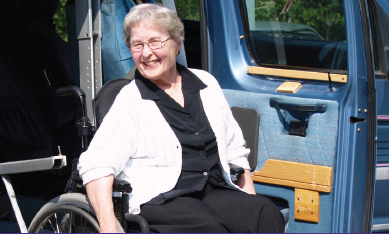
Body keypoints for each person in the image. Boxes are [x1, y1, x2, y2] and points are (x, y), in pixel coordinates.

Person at [78, 3, 285, 233]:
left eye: (155, 42)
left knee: (263, 212)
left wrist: (250, 202)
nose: (146, 53)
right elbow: (95, 166)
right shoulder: (131, 100)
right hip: (161, 198)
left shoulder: (206, 84)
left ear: (177, 44)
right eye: (137, 45)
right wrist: (109, 228)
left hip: (213, 190)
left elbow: (235, 148)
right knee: (209, 228)